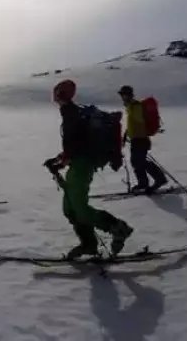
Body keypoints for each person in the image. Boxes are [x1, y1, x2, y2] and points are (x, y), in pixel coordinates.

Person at [44, 79, 133, 258]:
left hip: (81, 166)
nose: (54, 98)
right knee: (70, 209)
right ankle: (89, 245)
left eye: (57, 94)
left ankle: (118, 228)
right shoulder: (73, 113)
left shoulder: (72, 114)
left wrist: (63, 160)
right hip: (78, 164)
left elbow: (76, 146)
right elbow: (76, 144)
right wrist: (61, 160)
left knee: (80, 210)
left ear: (61, 95)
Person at [118, 85, 168, 194]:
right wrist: (126, 134)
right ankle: (144, 182)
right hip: (136, 139)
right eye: (121, 94)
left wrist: (130, 108)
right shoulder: (131, 106)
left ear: (129, 95)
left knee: (139, 161)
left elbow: (139, 120)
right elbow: (133, 123)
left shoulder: (135, 106)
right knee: (137, 162)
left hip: (141, 139)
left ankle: (159, 179)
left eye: (123, 94)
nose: (122, 97)